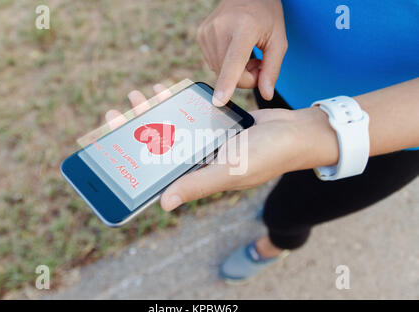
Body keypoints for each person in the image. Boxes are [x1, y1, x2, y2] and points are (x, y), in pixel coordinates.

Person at [108, 0, 419, 282]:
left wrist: (311, 134)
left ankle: (276, 243)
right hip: (279, 73)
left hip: (382, 135)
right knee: (278, 160)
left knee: (287, 211)